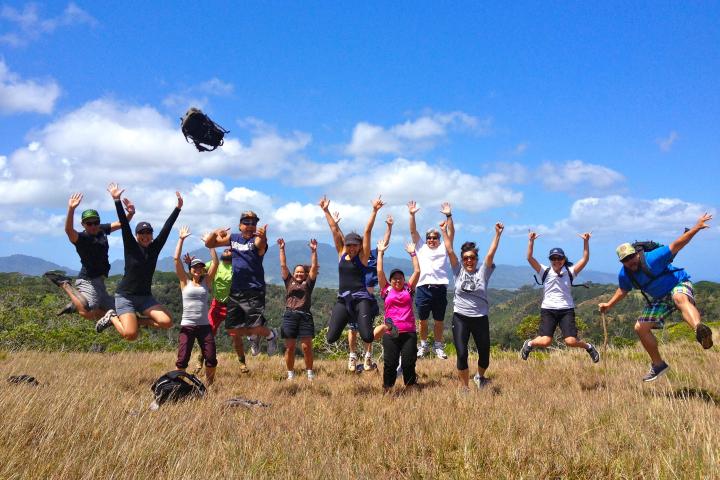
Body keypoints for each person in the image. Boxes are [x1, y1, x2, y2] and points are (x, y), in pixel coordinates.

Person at [598, 213, 714, 382]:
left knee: (679, 299)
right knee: (640, 328)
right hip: (660, 298)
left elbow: (677, 244)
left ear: (637, 253)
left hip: (678, 284)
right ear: (621, 262)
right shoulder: (625, 274)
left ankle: (699, 330)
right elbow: (623, 290)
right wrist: (608, 305)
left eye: (631, 256)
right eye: (625, 260)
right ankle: (658, 364)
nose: (630, 261)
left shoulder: (653, 258)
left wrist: (696, 227)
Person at [98, 183, 182, 339]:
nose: (145, 236)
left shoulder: (155, 247)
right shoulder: (131, 246)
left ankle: (136, 320)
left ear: (152, 234)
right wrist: (117, 200)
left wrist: (178, 208)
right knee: (130, 335)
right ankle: (112, 317)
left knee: (167, 322)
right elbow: (124, 224)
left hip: (145, 297)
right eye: (141, 233)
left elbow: (166, 228)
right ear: (136, 235)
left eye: (148, 232)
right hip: (126, 296)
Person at [44, 192, 135, 324]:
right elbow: (69, 231)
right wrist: (71, 209)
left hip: (100, 282)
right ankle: (65, 283)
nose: (93, 226)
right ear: (83, 224)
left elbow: (121, 223)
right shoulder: (81, 238)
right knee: (87, 312)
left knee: (121, 312)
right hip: (87, 281)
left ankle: (76, 305)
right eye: (89, 223)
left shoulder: (101, 230)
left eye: (96, 222)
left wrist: (130, 213)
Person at [203, 211, 278, 365]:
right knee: (233, 330)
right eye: (247, 223)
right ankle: (254, 336)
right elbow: (209, 244)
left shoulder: (257, 240)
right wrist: (216, 232)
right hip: (236, 290)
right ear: (240, 225)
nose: (250, 226)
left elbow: (260, 244)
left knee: (255, 327)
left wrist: (263, 236)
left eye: (253, 223)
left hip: (254, 289)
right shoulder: (233, 239)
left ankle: (271, 335)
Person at [325, 207, 394, 371]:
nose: (352, 248)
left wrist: (374, 211)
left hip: (362, 300)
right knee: (331, 337)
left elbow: (367, 230)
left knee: (367, 336)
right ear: (346, 245)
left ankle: (378, 339)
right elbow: (334, 230)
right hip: (343, 300)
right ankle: (353, 355)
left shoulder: (363, 257)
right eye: (350, 245)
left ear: (359, 246)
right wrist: (326, 210)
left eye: (356, 245)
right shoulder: (341, 253)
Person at [441, 221, 504, 390]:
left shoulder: (483, 271)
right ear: (462, 260)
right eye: (466, 258)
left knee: (484, 353)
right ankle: (464, 387)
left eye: (472, 258)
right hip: (460, 317)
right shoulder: (457, 270)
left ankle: (480, 377)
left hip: (480, 318)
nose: (469, 260)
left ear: (476, 259)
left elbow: (490, 254)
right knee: (462, 353)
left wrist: (497, 234)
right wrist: (443, 231)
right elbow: (449, 250)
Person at [520, 232, 600, 363]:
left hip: (566, 309)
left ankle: (589, 347)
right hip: (548, 309)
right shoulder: (544, 271)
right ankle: (529, 344)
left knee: (571, 341)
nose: (556, 261)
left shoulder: (570, 272)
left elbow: (585, 259)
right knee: (545, 341)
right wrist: (531, 241)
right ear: (550, 260)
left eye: (559, 258)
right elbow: (529, 258)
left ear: (564, 259)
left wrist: (586, 242)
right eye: (553, 258)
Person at [173, 226, 219, 385]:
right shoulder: (184, 282)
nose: (198, 269)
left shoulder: (206, 282)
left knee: (211, 358)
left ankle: (209, 385)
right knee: (182, 358)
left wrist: (210, 244)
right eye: (195, 267)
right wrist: (181, 239)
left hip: (204, 326)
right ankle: (179, 385)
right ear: (191, 269)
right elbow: (176, 260)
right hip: (187, 325)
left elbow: (216, 262)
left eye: (200, 267)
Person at [408, 200, 453, 359]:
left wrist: (448, 216)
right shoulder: (421, 247)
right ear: (426, 239)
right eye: (429, 238)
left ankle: (438, 346)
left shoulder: (443, 247)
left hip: (440, 288)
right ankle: (424, 345)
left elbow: (451, 233)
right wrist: (412, 215)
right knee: (423, 321)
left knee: (439, 320)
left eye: (435, 237)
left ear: (439, 239)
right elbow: (413, 231)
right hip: (423, 288)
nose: (432, 240)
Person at [376, 238, 421, 391]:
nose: (397, 280)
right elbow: (379, 271)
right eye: (394, 278)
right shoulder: (386, 290)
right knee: (390, 362)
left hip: (409, 331)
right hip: (391, 332)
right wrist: (380, 253)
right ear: (390, 280)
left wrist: (413, 253)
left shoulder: (408, 289)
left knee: (409, 361)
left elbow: (417, 271)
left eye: (400, 278)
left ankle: (410, 386)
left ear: (403, 279)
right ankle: (387, 388)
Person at [198, 247, 250, 374]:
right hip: (216, 305)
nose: (227, 251)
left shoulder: (238, 267)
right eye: (226, 249)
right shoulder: (215, 264)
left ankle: (242, 362)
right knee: (208, 334)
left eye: (231, 250)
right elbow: (199, 270)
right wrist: (190, 263)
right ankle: (200, 360)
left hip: (232, 306)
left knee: (236, 337)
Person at [278, 238, 319, 381]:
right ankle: (290, 373)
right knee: (290, 347)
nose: (299, 274)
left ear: (305, 275)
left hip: (305, 317)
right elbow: (283, 265)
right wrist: (282, 248)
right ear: (293, 274)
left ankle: (309, 373)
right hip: (290, 316)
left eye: (302, 272)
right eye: (297, 272)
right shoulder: (289, 281)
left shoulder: (308, 284)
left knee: (306, 347)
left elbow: (314, 268)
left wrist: (314, 251)